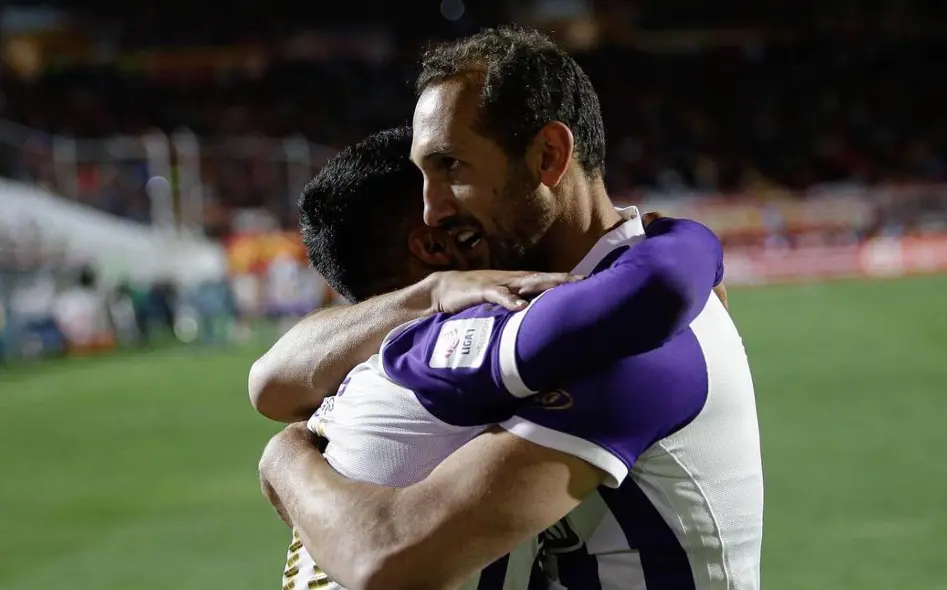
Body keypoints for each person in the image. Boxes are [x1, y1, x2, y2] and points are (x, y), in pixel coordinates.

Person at [257, 26, 762, 590]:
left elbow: (390, 557)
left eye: (451, 167)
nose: (430, 212)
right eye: (424, 173)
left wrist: (285, 461)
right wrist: (425, 294)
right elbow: (272, 381)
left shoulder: (628, 338)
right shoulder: (571, 300)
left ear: (548, 156)